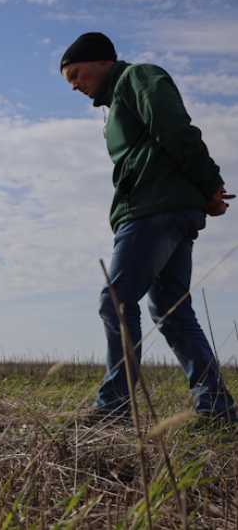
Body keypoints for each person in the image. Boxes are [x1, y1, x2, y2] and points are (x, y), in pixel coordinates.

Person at [60, 32, 237, 423]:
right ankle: (217, 410)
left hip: (153, 210)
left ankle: (114, 407)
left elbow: (174, 128)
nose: (74, 85)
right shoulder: (116, 105)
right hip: (162, 210)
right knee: (171, 311)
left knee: (116, 300)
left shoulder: (138, 78)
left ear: (103, 61)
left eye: (76, 73)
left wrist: (210, 184)